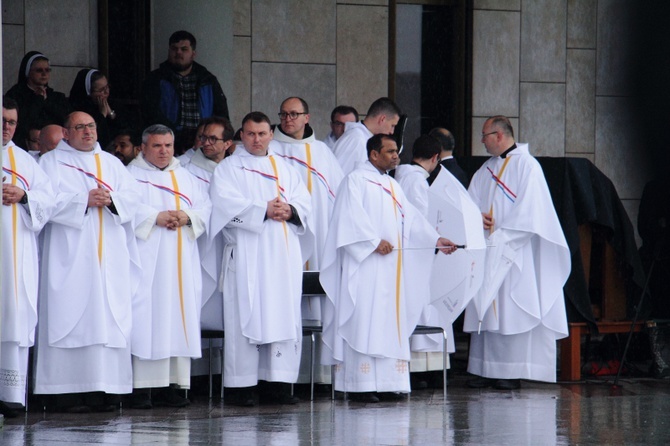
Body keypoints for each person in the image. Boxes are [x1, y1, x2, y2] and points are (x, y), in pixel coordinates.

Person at [320, 134, 457, 403]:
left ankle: (388, 382)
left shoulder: (392, 185)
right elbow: (348, 220)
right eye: (390, 151)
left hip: (391, 268)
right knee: (365, 320)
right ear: (373, 155)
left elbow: (413, 219)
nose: (396, 156)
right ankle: (361, 384)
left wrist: (435, 239)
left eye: (397, 151)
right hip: (366, 267)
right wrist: (372, 242)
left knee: (388, 321)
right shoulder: (355, 181)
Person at [34, 111, 141, 412]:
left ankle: (105, 391)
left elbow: (134, 197)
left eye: (91, 126)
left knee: (107, 317)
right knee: (69, 315)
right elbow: (44, 204)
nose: (87, 132)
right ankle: (63, 393)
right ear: (66, 134)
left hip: (109, 254)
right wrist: (83, 200)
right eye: (79, 127)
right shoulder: (50, 163)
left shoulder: (111, 163)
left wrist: (113, 200)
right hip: (69, 255)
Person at [209, 112, 313, 406]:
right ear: (241, 136)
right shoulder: (228, 169)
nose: (257, 139)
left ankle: (278, 385)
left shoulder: (286, 168)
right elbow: (223, 206)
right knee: (246, 314)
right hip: (247, 255)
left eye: (262, 134)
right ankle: (242, 387)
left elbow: (305, 203)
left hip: (282, 256)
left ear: (271, 134)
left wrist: (290, 211)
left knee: (282, 314)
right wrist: (262, 209)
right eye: (251, 134)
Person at [464, 116, 570, 390]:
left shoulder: (528, 166)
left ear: (499, 135)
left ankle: (512, 371)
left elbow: (532, 213)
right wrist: (476, 219)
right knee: (488, 306)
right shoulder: (484, 170)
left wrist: (503, 234)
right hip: (489, 249)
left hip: (515, 251)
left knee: (512, 308)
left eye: (485, 135)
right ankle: (486, 368)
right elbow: (468, 203)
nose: (482, 141)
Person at [126, 124, 211, 409]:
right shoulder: (130, 175)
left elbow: (206, 208)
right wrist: (155, 217)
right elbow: (125, 207)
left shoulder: (186, 176)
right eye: (157, 146)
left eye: (168, 146)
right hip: (147, 260)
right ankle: (142, 389)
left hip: (180, 260)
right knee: (147, 317)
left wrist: (186, 217)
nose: (163, 151)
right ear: (143, 147)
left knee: (177, 315)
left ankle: (171, 386)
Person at [272, 97, 345, 384]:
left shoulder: (323, 152)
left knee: (321, 296)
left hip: (322, 234)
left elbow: (339, 195)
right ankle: (292, 375)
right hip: (287, 235)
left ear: (307, 117)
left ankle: (320, 375)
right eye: (284, 114)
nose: (288, 119)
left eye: (294, 114)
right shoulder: (272, 149)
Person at [1, 98, 55, 418]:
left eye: (11, 122)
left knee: (13, 317)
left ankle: (9, 395)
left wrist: (24, 196)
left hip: (16, 254)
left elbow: (49, 201)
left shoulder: (25, 161)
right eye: (2, 120)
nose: (6, 127)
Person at [142, 30, 229, 155]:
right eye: (174, 49)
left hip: (204, 142)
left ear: (193, 53)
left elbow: (221, 114)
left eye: (184, 49)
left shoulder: (208, 80)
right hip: (166, 143)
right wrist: (174, 135)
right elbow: (150, 113)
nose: (178, 53)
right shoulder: (155, 79)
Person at [5, 51, 71, 149]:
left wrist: (45, 101)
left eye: (47, 70)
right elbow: (22, 123)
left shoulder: (57, 97)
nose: (44, 74)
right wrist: (38, 100)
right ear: (28, 72)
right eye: (39, 70)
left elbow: (65, 120)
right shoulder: (15, 95)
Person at [332, 98, 401, 175]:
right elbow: (340, 177)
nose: (392, 132)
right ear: (382, 119)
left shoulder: (363, 138)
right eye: (392, 125)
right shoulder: (356, 139)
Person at [69, 69, 130, 147]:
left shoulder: (113, 103)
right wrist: (102, 115)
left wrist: (111, 113)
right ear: (89, 92)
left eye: (107, 87)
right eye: (101, 90)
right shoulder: (79, 109)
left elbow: (123, 128)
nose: (106, 92)